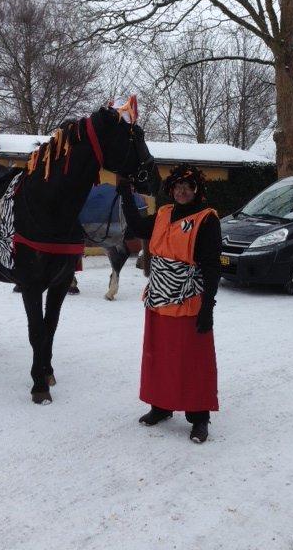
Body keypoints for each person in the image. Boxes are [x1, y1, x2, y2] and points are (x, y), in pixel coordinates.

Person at [117, 163, 222, 443]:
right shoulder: (164, 213)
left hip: (189, 298)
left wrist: (208, 307)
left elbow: (212, 266)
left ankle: (199, 417)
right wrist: (126, 193)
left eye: (188, 187)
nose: (182, 191)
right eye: (177, 187)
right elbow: (139, 226)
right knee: (160, 356)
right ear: (171, 189)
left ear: (197, 190)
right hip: (159, 297)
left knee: (192, 359)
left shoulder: (206, 219)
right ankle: (161, 406)